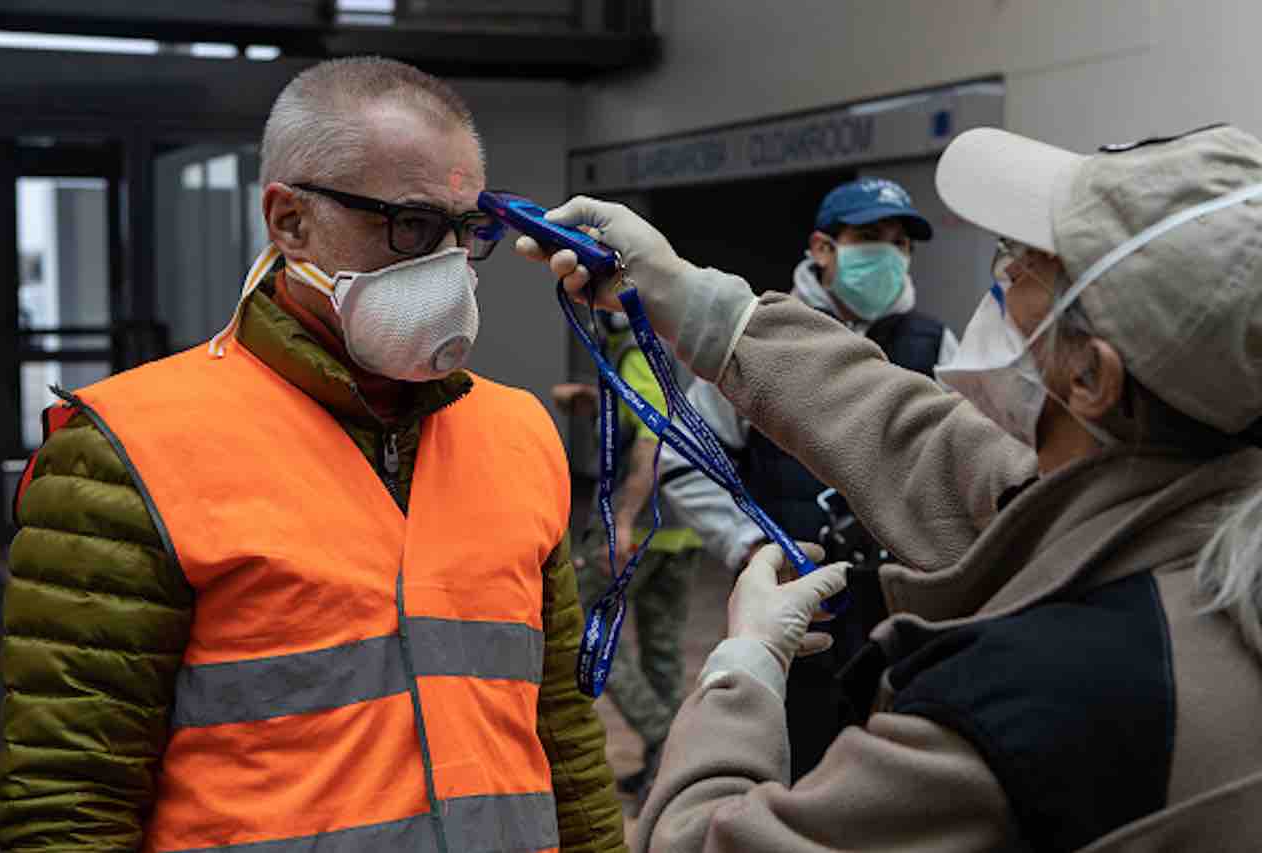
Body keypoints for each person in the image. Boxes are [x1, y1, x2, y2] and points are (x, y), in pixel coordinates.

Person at [518, 124, 1262, 850]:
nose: (1001, 281)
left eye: (1027, 266)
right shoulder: (1200, 537)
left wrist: (740, 673)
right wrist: (689, 297)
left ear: (1091, 376)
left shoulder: (1012, 717)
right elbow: (916, 439)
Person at [0, 57, 625, 853]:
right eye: (411, 226)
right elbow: (68, 804)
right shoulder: (126, 450)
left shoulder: (519, 432)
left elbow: (561, 734)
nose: (450, 267)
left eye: (468, 233)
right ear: (289, 221)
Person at [657, 176, 956, 779]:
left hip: (905, 603)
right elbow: (683, 457)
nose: (890, 256)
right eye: (870, 238)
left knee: (900, 764)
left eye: (901, 243)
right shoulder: (768, 336)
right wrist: (750, 546)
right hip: (803, 601)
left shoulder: (932, 342)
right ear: (823, 248)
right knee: (798, 761)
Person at [553, 312, 703, 810]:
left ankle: (664, 735)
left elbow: (652, 439)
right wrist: (595, 403)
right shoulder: (667, 348)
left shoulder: (638, 352)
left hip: (637, 525)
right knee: (661, 652)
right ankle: (668, 767)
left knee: (587, 636)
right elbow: (653, 412)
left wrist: (622, 519)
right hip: (682, 526)